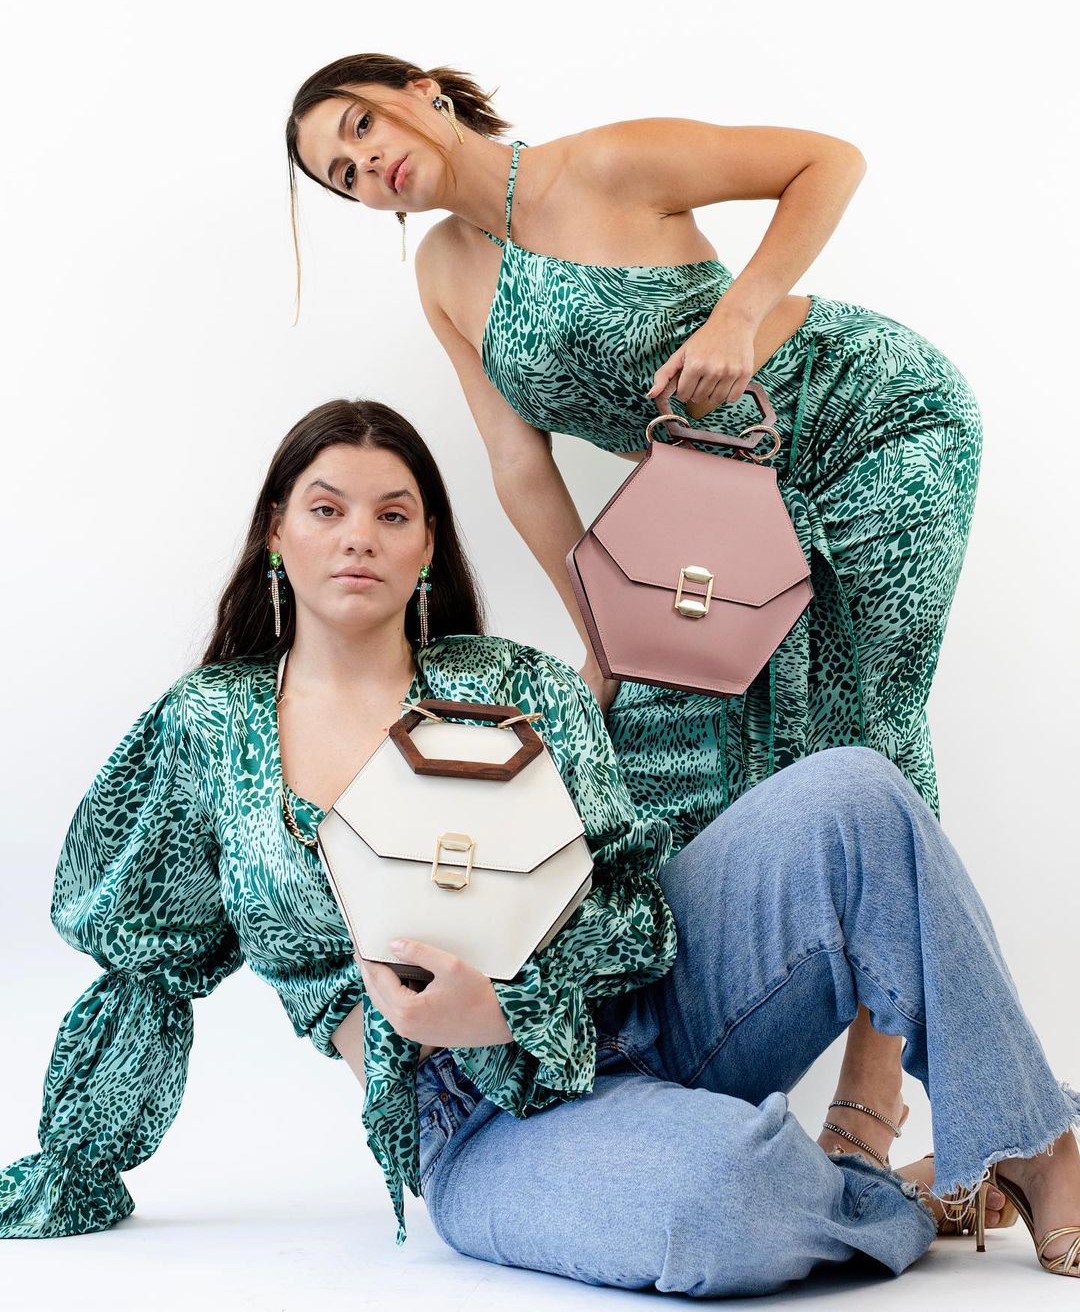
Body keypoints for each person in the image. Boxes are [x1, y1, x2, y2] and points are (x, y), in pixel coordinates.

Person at [3, 400, 1076, 1289]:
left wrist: (509, 1003)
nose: (359, 536)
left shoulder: (516, 683)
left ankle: (1036, 1148)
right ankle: (897, 1189)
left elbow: (633, 904)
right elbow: (144, 967)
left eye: (393, 513)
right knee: (714, 1201)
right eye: (326, 509)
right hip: (476, 1122)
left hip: (655, 1010)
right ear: (276, 534)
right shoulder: (207, 726)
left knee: (858, 792)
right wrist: (76, 1163)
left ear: (428, 547)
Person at [285, 52, 984, 1172]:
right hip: (726, 512)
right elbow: (520, 465)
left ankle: (874, 1089)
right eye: (342, 174)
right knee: (678, 755)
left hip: (868, 414)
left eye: (362, 128)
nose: (367, 167)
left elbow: (829, 161)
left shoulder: (605, 162)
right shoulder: (445, 273)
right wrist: (604, 626)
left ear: (423, 92)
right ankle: (665, 1071)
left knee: (872, 718)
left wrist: (738, 318)